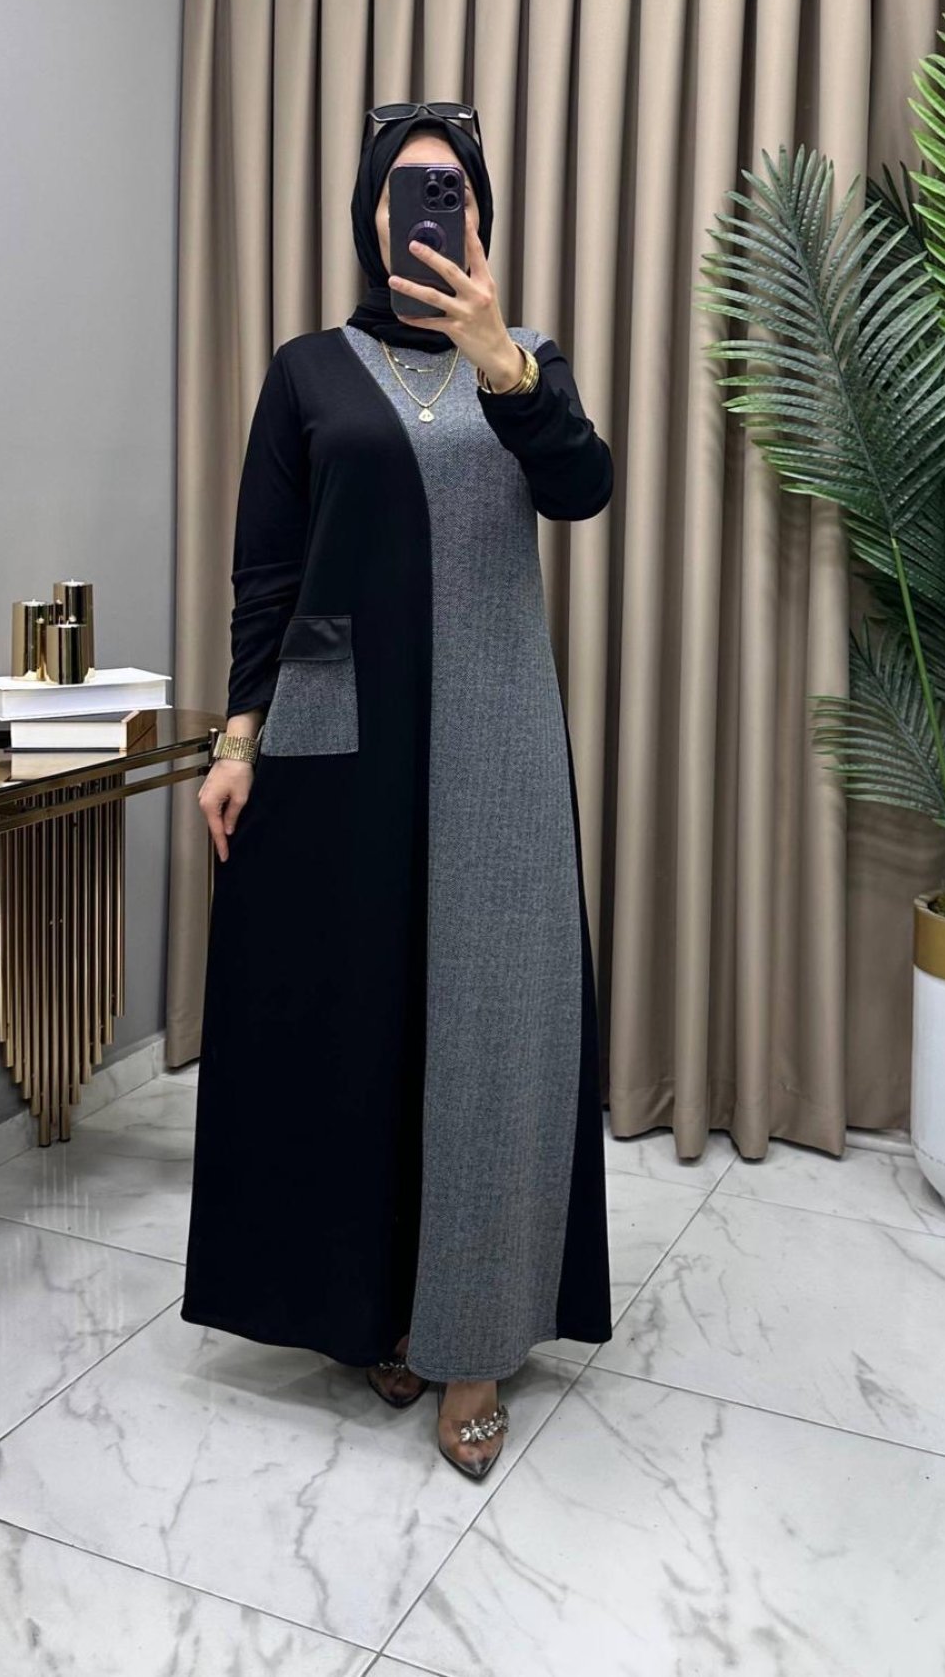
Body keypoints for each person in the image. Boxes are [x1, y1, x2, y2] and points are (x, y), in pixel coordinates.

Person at [180, 100, 615, 1481]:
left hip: (494, 734)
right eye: (407, 188)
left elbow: (584, 489)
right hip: (338, 735)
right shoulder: (308, 370)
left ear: (479, 216)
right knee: (361, 1022)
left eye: (453, 188)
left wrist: (504, 362)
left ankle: (472, 1338)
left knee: (492, 1028)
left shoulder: (524, 357)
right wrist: (237, 739)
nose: (431, 207)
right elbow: (266, 567)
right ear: (371, 217)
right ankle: (381, 1304)